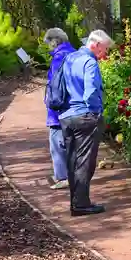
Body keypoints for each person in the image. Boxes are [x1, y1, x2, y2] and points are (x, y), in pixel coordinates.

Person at [59, 30, 114, 216]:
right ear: (96, 45)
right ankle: (81, 204)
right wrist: (95, 112)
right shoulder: (90, 62)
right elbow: (91, 91)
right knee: (84, 162)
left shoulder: (70, 58)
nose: (105, 53)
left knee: (72, 161)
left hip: (67, 117)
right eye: (105, 49)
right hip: (85, 117)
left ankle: (75, 202)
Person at [44, 28, 76, 191]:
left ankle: (62, 177)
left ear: (54, 41)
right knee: (72, 144)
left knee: (57, 143)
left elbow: (55, 85)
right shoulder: (74, 54)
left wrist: (50, 102)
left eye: (48, 43)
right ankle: (74, 175)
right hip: (74, 107)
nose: (48, 46)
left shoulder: (59, 57)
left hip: (59, 108)